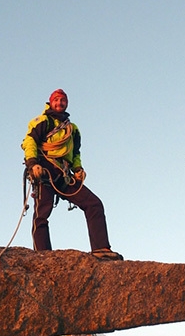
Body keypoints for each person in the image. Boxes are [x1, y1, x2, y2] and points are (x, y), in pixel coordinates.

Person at [21, 89, 123, 261]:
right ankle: (43, 255)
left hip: (64, 173)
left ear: (66, 103)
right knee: (41, 213)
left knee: (94, 204)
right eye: (57, 100)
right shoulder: (42, 121)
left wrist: (78, 169)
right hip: (45, 168)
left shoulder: (73, 129)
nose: (60, 103)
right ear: (50, 102)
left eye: (63, 100)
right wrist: (32, 163)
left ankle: (101, 247)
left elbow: (75, 153)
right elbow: (29, 141)